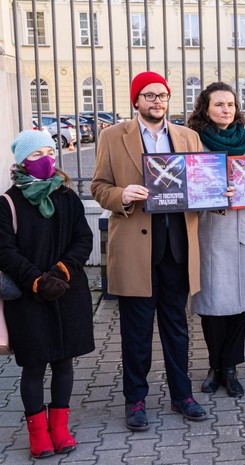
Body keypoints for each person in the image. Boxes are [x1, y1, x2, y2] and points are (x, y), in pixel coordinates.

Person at [91, 71, 208, 431]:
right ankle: (136, 400)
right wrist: (121, 195)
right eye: (149, 95)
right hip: (135, 246)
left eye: (162, 95)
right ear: (136, 101)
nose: (157, 102)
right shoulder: (113, 136)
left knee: (177, 328)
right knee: (136, 331)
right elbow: (98, 186)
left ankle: (182, 395)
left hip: (177, 246)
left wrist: (218, 194)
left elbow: (202, 182)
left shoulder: (188, 137)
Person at [0, 130, 94, 458]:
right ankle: (38, 433)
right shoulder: (8, 202)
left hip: (67, 291)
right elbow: (5, 251)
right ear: (22, 161)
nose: (46, 160)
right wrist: (37, 280)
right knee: (34, 365)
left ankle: (60, 427)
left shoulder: (67, 196)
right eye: (37, 154)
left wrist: (60, 272)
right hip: (29, 297)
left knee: (64, 362)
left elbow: (83, 239)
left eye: (50, 153)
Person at [187, 82, 245, 397]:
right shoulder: (194, 141)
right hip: (211, 231)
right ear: (205, 108)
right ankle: (214, 365)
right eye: (219, 104)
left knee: (240, 303)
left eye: (231, 104)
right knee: (212, 304)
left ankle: (230, 368)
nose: (226, 110)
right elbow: (187, 186)